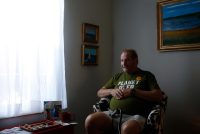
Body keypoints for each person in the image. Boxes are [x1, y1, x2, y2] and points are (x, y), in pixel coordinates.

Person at [85, 49, 163, 134]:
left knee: (127, 129)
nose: (123, 63)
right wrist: (112, 91)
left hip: (135, 117)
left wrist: (133, 91)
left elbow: (158, 96)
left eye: (127, 60)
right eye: (122, 60)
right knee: (90, 120)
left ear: (136, 61)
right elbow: (99, 92)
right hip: (112, 114)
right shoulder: (118, 76)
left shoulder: (147, 75)